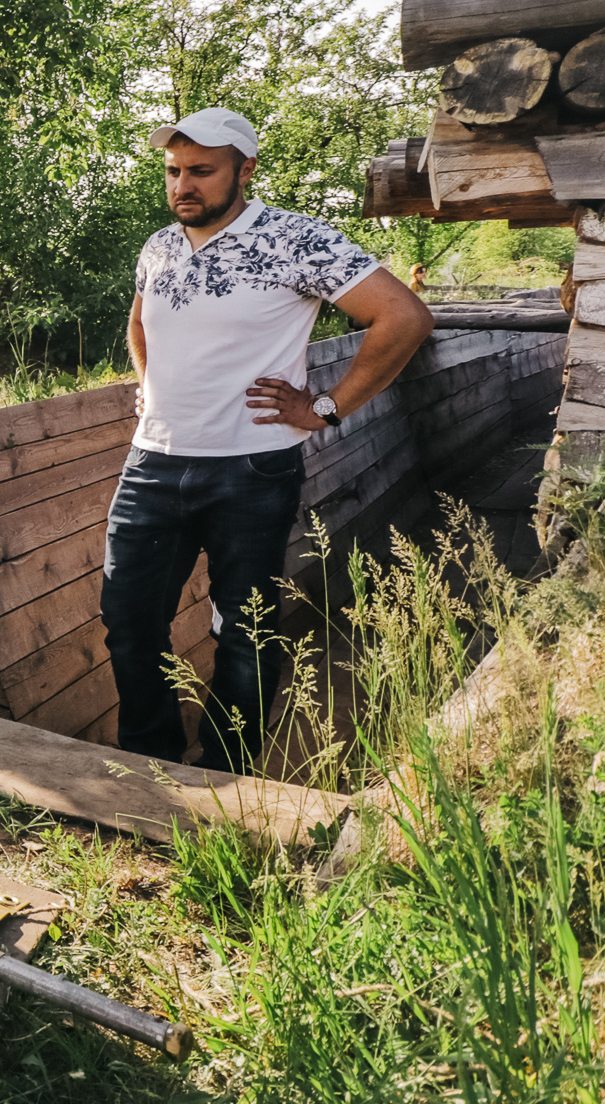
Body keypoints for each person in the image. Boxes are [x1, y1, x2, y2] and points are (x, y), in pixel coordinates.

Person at [105, 108, 434, 773]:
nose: (182, 186)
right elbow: (141, 324)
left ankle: (228, 771)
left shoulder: (297, 239)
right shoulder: (158, 247)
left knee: (243, 632)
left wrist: (327, 407)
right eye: (173, 172)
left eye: (201, 171)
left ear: (244, 170)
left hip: (251, 470)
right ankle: (150, 764)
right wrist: (150, 383)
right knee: (129, 622)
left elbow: (403, 316)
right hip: (153, 461)